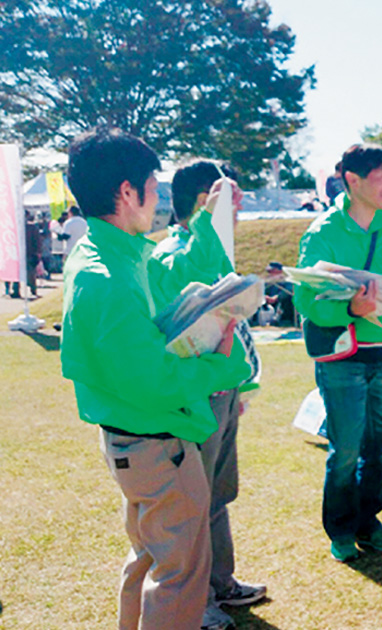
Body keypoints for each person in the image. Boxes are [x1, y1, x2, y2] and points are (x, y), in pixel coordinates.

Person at [60, 127, 250, 630]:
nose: (159, 199)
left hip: (139, 442)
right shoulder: (108, 276)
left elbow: (177, 279)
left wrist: (211, 216)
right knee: (180, 575)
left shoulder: (115, 254)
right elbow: (154, 381)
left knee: (150, 561)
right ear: (127, 192)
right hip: (156, 444)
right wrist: (222, 364)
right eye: (152, 186)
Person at [147, 159, 266, 630]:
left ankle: (221, 583)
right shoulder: (174, 254)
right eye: (231, 201)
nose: (238, 210)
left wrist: (241, 385)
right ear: (205, 202)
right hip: (198, 396)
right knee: (194, 502)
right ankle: (198, 603)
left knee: (216, 495)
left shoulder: (210, 247)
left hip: (223, 389)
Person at [296, 143, 382, 563]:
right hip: (342, 358)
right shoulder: (323, 232)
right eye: (381, 177)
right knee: (346, 450)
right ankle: (341, 530)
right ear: (352, 180)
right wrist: (352, 307)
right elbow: (306, 300)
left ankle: (370, 523)